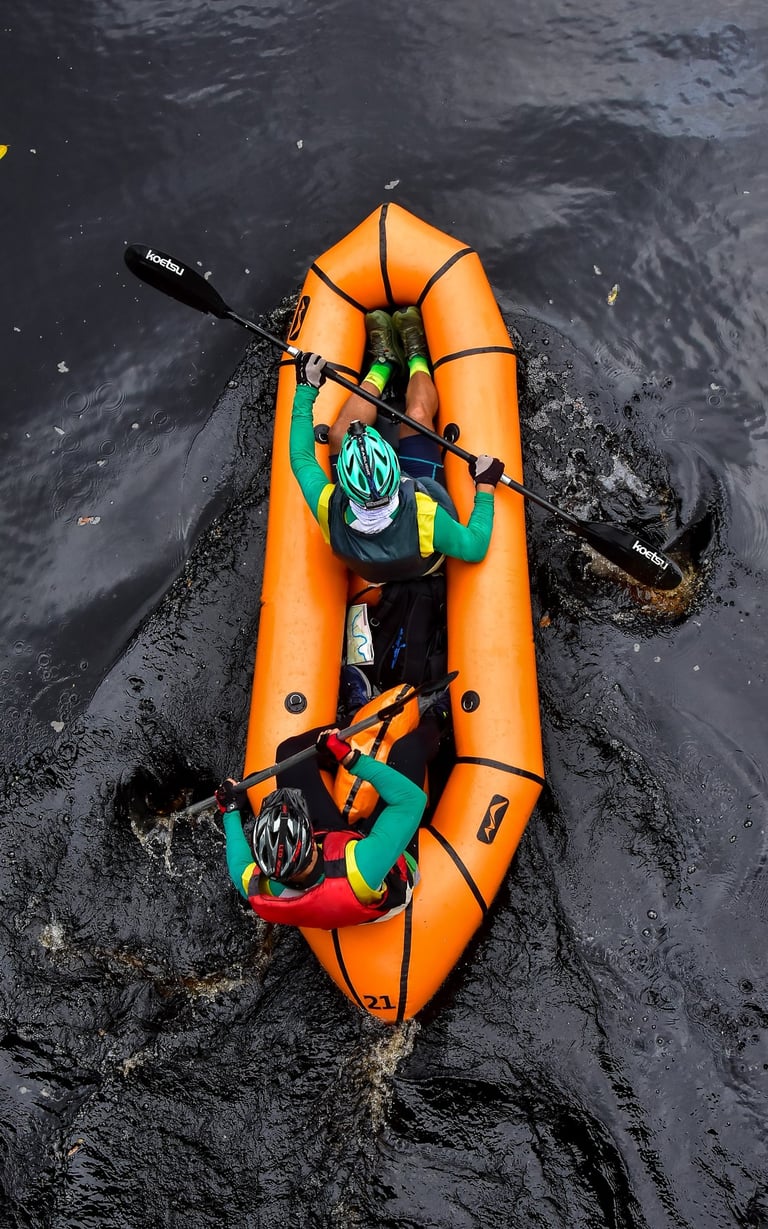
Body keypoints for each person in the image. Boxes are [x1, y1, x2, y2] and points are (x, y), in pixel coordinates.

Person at [289, 305, 506, 583]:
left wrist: (306, 389)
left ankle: (388, 364)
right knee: (416, 416)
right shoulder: (426, 516)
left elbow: (301, 456)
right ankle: (414, 360)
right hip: (420, 558)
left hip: (373, 561)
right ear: (393, 462)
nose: (362, 431)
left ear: (343, 481)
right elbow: (473, 548)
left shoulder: (326, 503)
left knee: (341, 433)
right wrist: (485, 487)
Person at [215, 716, 442, 929]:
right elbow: (411, 801)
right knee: (408, 750)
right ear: (311, 842)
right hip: (381, 873)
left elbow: (238, 865)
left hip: (333, 858)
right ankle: (438, 719)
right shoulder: (363, 865)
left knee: (290, 752)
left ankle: (353, 720)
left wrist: (231, 810)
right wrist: (351, 759)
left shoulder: (261, 886)